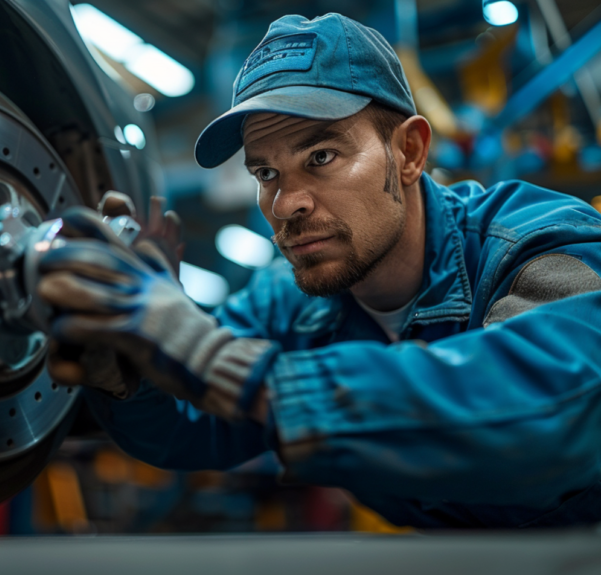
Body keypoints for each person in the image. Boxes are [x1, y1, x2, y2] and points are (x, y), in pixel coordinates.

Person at [37, 13, 601, 529]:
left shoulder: (536, 245)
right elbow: (193, 426)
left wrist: (209, 356)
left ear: (408, 152)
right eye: (265, 172)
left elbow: (553, 407)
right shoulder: (288, 302)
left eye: (321, 158)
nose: (285, 205)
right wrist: (129, 376)